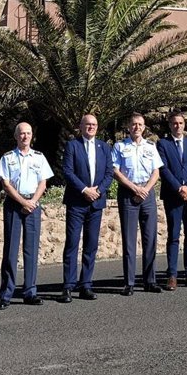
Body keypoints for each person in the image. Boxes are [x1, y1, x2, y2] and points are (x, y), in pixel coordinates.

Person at [0, 122, 54, 309]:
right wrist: (23, 202)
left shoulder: (39, 157)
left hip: (33, 204)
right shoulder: (7, 158)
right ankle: (6, 294)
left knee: (31, 250)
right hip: (14, 204)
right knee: (11, 251)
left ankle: (30, 292)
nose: (25, 136)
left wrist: (32, 202)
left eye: (28, 133)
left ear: (32, 136)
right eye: (22, 133)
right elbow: (6, 184)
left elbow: (43, 182)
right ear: (16, 136)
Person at [57, 114, 113, 302]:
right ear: (81, 126)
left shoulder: (104, 147)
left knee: (91, 245)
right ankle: (68, 286)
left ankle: (86, 284)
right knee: (72, 243)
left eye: (94, 124)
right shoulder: (73, 145)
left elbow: (109, 173)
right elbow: (67, 171)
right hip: (77, 202)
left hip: (96, 202)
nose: (91, 127)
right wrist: (83, 190)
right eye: (88, 124)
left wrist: (98, 190)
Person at [111, 112, 164, 295]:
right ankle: (129, 282)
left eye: (140, 124)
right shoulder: (119, 146)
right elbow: (116, 171)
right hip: (128, 194)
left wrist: (146, 189)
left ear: (144, 126)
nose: (137, 127)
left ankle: (150, 280)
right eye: (134, 124)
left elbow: (156, 172)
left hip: (147, 194)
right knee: (129, 240)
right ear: (128, 126)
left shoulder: (151, 146)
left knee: (150, 239)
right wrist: (134, 188)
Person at [155, 113, 187, 289]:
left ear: (185, 125)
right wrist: (179, 188)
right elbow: (163, 169)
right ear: (170, 125)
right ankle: (172, 275)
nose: (178, 126)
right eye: (174, 123)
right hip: (173, 196)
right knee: (173, 236)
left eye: (181, 123)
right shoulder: (163, 144)